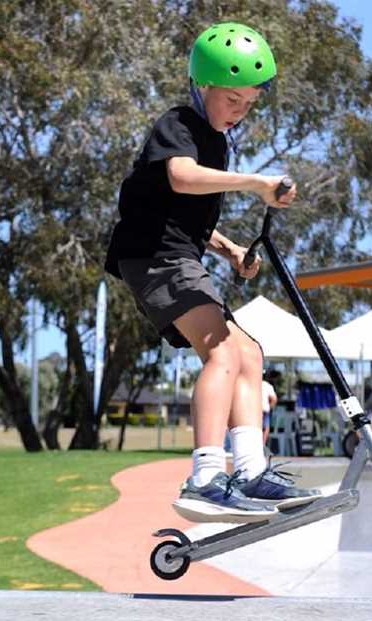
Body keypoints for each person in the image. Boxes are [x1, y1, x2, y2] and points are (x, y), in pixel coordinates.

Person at [104, 22, 321, 522]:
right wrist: (255, 182)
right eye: (231, 100)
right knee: (222, 350)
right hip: (154, 255)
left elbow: (186, 216)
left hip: (177, 252)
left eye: (249, 103)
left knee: (249, 353)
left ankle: (249, 470)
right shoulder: (178, 123)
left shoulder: (216, 141)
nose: (240, 111)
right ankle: (205, 476)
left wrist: (229, 251)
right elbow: (180, 178)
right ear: (203, 86)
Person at [261, 371, 278, 444]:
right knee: (266, 428)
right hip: (265, 409)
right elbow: (274, 399)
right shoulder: (268, 386)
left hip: (254, 410)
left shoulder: (253, 385)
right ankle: (262, 445)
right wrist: (270, 407)